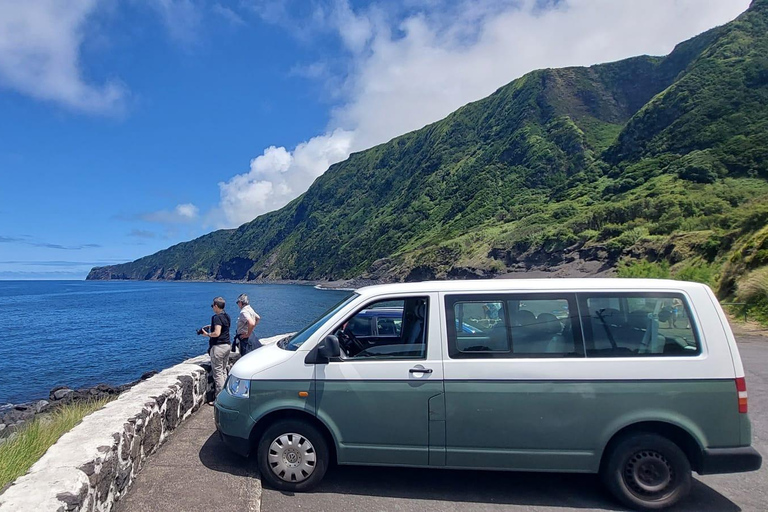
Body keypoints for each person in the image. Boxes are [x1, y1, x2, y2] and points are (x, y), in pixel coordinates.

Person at [199, 296, 231, 404]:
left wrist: (207, 334)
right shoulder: (227, 316)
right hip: (227, 346)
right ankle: (227, 395)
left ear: (216, 306)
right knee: (223, 371)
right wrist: (211, 326)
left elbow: (217, 333)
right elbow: (223, 329)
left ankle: (220, 399)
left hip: (218, 347)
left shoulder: (216, 317)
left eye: (213, 306)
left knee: (217, 374)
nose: (212, 307)